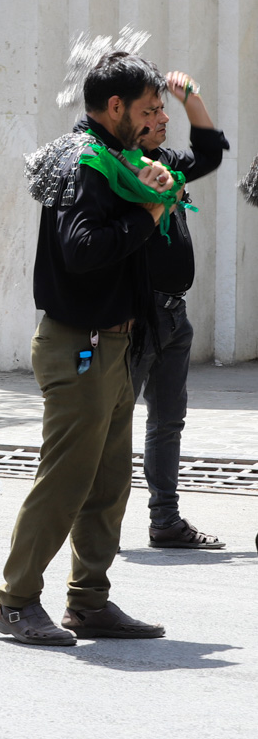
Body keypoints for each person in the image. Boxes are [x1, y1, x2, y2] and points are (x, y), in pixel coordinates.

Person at [0, 51, 176, 646]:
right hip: (81, 345)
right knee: (65, 481)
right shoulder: (85, 160)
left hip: (113, 345)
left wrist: (148, 196)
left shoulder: (111, 158)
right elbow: (82, 248)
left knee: (108, 483)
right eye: (150, 109)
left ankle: (89, 601)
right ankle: (16, 601)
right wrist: (147, 214)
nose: (159, 119)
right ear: (116, 106)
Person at [128, 71, 228, 549]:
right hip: (134, 316)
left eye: (163, 108)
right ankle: (94, 525)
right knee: (110, 424)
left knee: (168, 421)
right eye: (152, 112)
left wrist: (192, 99)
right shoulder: (115, 168)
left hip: (173, 314)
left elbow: (209, 154)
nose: (164, 118)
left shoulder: (166, 161)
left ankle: (165, 520)